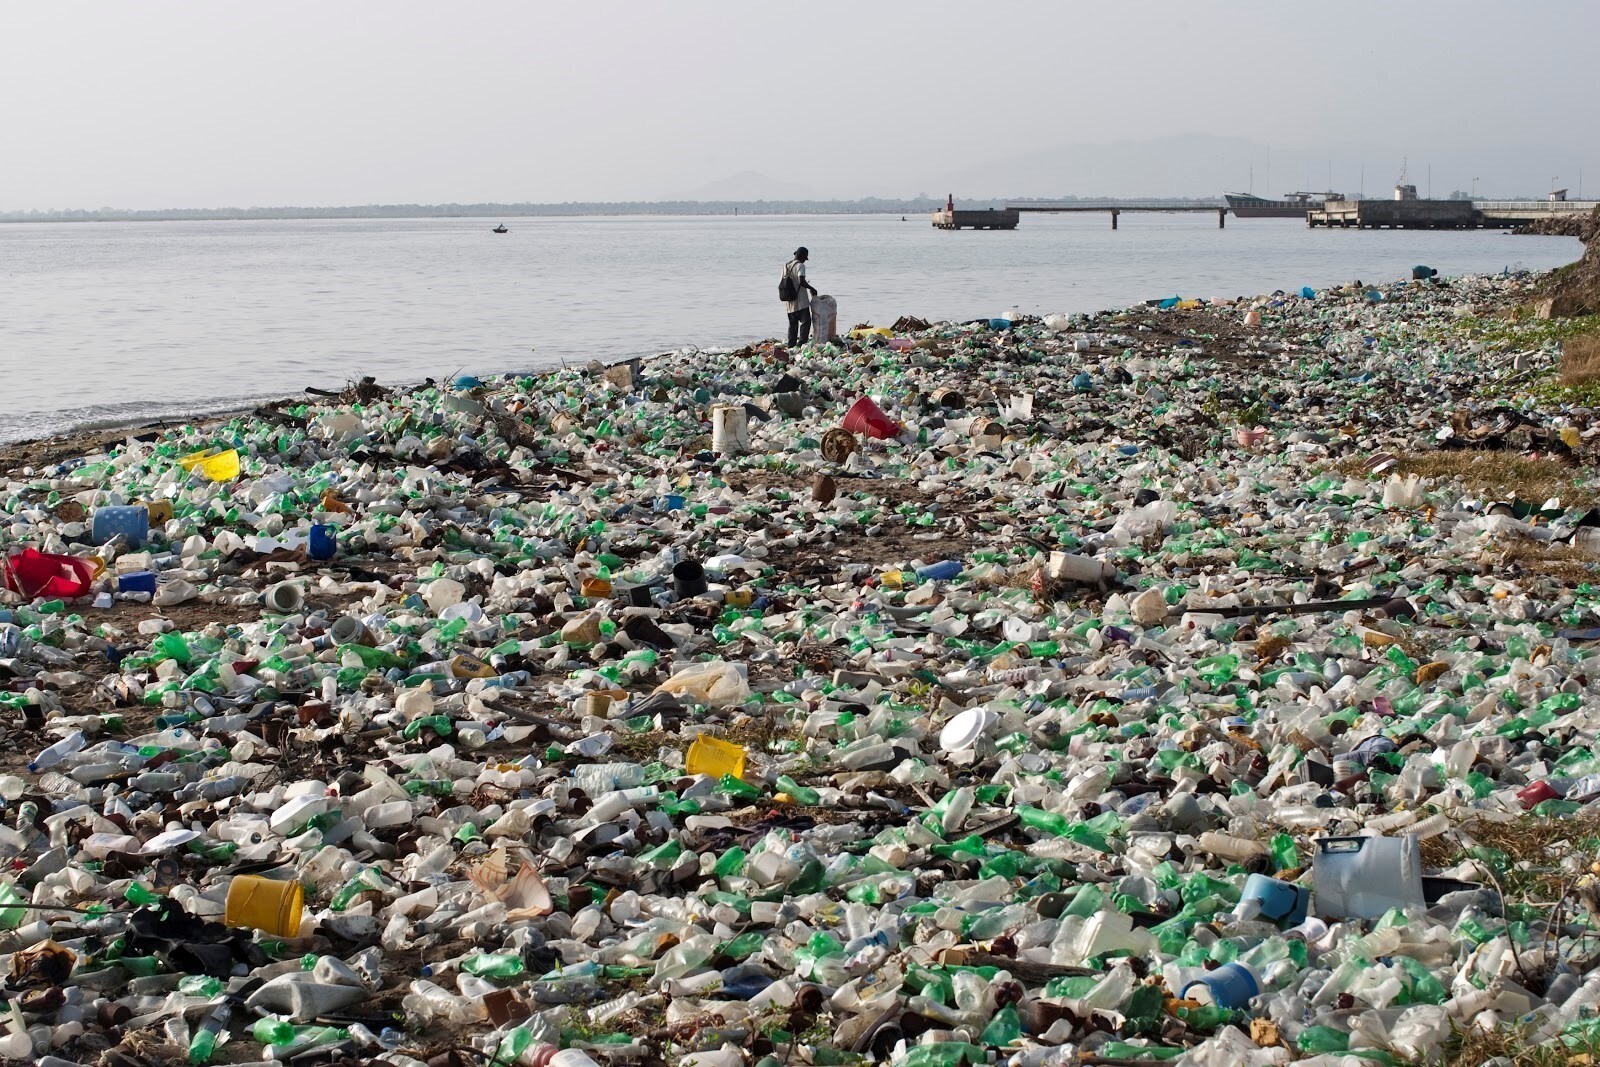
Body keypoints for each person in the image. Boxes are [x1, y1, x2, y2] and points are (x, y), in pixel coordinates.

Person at [782, 247, 818, 346]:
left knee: (792, 324)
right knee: (806, 322)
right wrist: (811, 288)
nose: (804, 261)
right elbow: (801, 281)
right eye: (804, 258)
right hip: (800, 301)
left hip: (788, 300)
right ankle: (801, 344)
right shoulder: (800, 266)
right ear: (801, 256)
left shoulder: (786, 266)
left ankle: (791, 345)